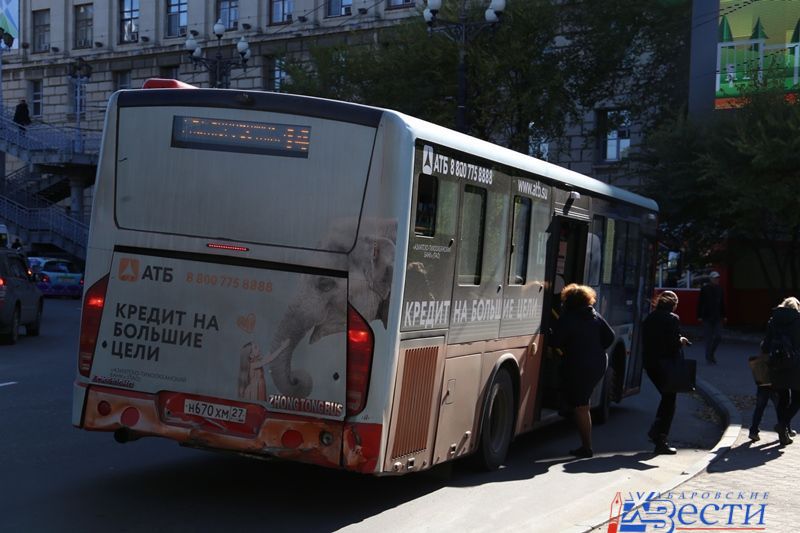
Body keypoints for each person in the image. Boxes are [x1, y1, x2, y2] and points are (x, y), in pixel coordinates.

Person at [552, 283, 615, 458]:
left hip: (579, 364)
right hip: (598, 363)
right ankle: (585, 444)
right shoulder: (594, 315)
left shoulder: (568, 318)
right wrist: (595, 349)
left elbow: (555, 342)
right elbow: (610, 337)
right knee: (581, 402)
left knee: (581, 406)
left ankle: (586, 447)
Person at [642, 290, 691, 455]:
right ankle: (660, 438)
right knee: (670, 400)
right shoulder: (672, 319)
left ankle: (657, 432)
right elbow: (671, 343)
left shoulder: (650, 318)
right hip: (667, 366)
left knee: (666, 398)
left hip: (651, 365)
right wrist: (681, 341)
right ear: (673, 304)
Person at [761, 297, 800, 446]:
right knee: (797, 399)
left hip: (776, 364)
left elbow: (766, 345)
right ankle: (783, 424)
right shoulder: (798, 321)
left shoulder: (773, 320)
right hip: (796, 365)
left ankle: (783, 432)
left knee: (782, 399)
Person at [697, 270, 725, 364]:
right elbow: (700, 303)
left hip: (717, 316)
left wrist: (724, 315)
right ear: (711, 279)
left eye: (718, 278)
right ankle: (709, 357)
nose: (717, 280)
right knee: (708, 338)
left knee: (718, 336)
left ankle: (711, 353)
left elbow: (722, 303)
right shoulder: (705, 289)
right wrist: (699, 315)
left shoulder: (720, 289)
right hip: (707, 316)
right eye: (715, 278)